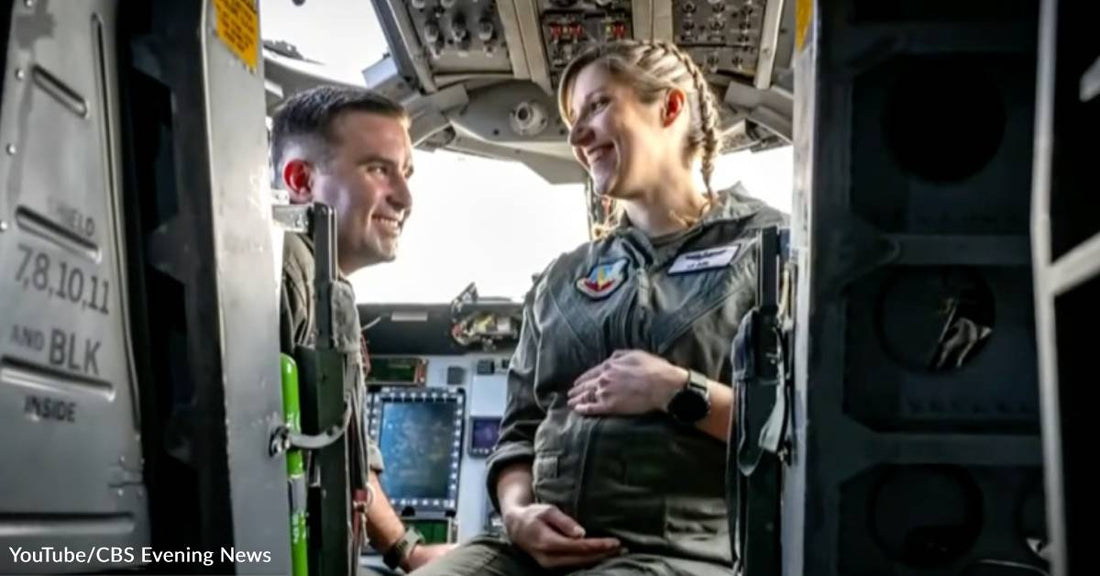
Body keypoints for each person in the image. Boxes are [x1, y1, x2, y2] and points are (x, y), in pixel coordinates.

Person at [411, 40, 785, 576]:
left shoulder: (771, 251)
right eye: (573, 119)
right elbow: (519, 431)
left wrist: (676, 390)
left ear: (670, 107)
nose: (576, 136)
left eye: (598, 105)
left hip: (670, 556)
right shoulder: (563, 277)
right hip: (526, 553)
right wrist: (517, 512)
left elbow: (807, 430)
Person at [272, 86, 455, 573]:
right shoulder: (284, 274)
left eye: (406, 173)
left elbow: (342, 446)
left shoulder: (324, 286)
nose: (405, 197)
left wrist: (406, 550)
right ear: (300, 180)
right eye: (378, 169)